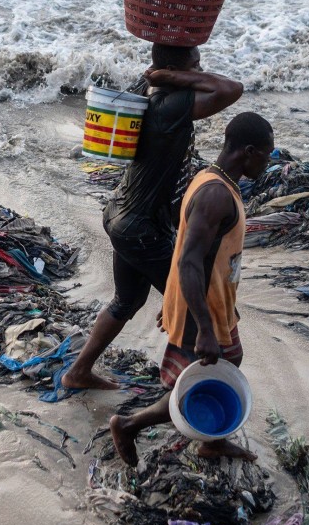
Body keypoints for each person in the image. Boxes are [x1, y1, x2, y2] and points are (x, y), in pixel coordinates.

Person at [61, 38, 243, 390]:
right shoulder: (172, 106)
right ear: (178, 71)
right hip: (139, 228)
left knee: (127, 300)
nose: (202, 70)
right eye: (197, 64)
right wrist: (178, 77)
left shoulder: (146, 93)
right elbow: (231, 89)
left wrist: (171, 75)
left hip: (121, 214)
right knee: (198, 309)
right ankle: (189, 398)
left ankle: (78, 373)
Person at [110, 112, 274, 465]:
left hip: (215, 303)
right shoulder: (216, 195)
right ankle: (128, 425)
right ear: (248, 151)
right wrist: (199, 325)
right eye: (266, 153)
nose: (269, 161)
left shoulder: (213, 179)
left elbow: (190, 251)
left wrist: (179, 300)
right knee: (189, 384)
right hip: (202, 311)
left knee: (230, 360)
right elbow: (188, 260)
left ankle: (212, 442)